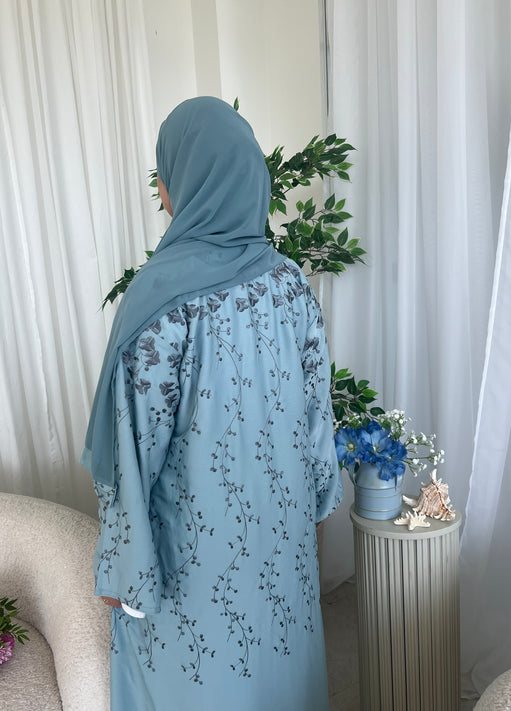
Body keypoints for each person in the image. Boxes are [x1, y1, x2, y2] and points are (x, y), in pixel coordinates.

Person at [82, 96, 342, 711]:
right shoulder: (291, 283)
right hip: (281, 541)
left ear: (186, 182)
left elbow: (132, 452)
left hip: (193, 564)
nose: (163, 192)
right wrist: (313, 512)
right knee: (278, 665)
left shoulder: (157, 299)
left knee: (195, 679)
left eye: (164, 177)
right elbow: (316, 420)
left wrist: (123, 571)